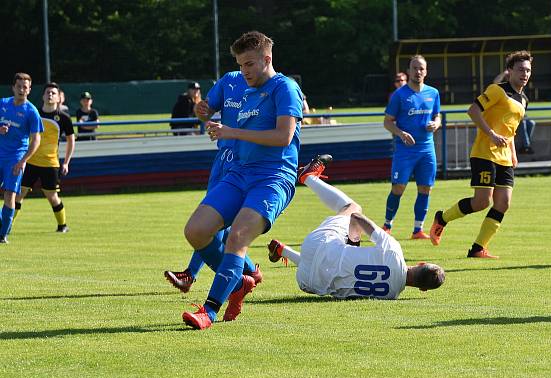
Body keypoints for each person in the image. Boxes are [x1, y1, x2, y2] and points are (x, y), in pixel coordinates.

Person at [181, 31, 303, 330]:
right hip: (239, 173)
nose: (243, 71)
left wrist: (231, 132)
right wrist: (210, 119)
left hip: (273, 178)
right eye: (240, 64)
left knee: (237, 237)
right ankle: (237, 282)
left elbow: (283, 136)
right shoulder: (242, 89)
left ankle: (208, 311)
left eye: (249, 64)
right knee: (196, 231)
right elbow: (218, 117)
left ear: (267, 59)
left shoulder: (284, 88)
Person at [267, 154, 445, 299]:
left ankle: (308, 177)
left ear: (421, 263)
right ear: (423, 289)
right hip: (309, 282)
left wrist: (353, 242)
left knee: (352, 208)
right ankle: (282, 250)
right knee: (330, 268)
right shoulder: (391, 295)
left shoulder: (393, 251)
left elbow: (357, 218)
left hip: (318, 244)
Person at [163, 70, 262, 292]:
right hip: (223, 159)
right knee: (215, 220)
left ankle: (192, 274)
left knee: (217, 222)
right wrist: (202, 111)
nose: (246, 67)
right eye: (242, 61)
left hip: (248, 162)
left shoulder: (271, 85)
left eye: (250, 61)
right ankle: (250, 271)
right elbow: (206, 111)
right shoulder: (229, 80)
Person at [429, 50, 532, 259]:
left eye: (528, 70)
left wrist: (513, 154)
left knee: (503, 203)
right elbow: (472, 110)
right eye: (520, 69)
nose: (525, 74)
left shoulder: (524, 99)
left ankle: (478, 248)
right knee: (482, 202)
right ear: (510, 70)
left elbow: (510, 129)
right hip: (485, 153)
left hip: (504, 157)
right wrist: (492, 134)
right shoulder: (496, 90)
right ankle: (442, 218)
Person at [382, 55, 441, 238]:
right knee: (398, 188)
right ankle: (387, 226)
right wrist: (400, 133)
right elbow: (387, 122)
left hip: (426, 149)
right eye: (414, 68)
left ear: (426, 71)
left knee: (425, 188)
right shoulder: (399, 95)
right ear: (409, 71)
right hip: (405, 151)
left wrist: (436, 124)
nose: (418, 72)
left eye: (421, 68)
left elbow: (437, 116)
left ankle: (418, 230)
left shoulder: (433, 93)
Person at [17, 82, 76, 233]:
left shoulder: (63, 118)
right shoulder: (33, 113)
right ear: (43, 96)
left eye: (53, 93)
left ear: (59, 98)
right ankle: (6, 226)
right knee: (18, 194)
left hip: (50, 164)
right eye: (47, 92)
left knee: (52, 196)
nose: (50, 95)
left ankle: (62, 225)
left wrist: (66, 162)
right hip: (30, 161)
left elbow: (71, 140)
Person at [0, 73, 43, 244]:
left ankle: (3, 234)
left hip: (16, 157)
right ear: (13, 87)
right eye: (19, 86)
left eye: (25, 87)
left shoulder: (31, 112)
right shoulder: (2, 103)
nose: (22, 89)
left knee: (9, 194)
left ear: (30, 90)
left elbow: (36, 139)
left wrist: (23, 160)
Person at [494, 69, 535, 154]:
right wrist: (504, 73)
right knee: (523, 123)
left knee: (531, 123)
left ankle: (525, 144)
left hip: (520, 115)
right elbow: (495, 83)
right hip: (509, 116)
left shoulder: (518, 88)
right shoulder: (504, 88)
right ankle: (526, 146)